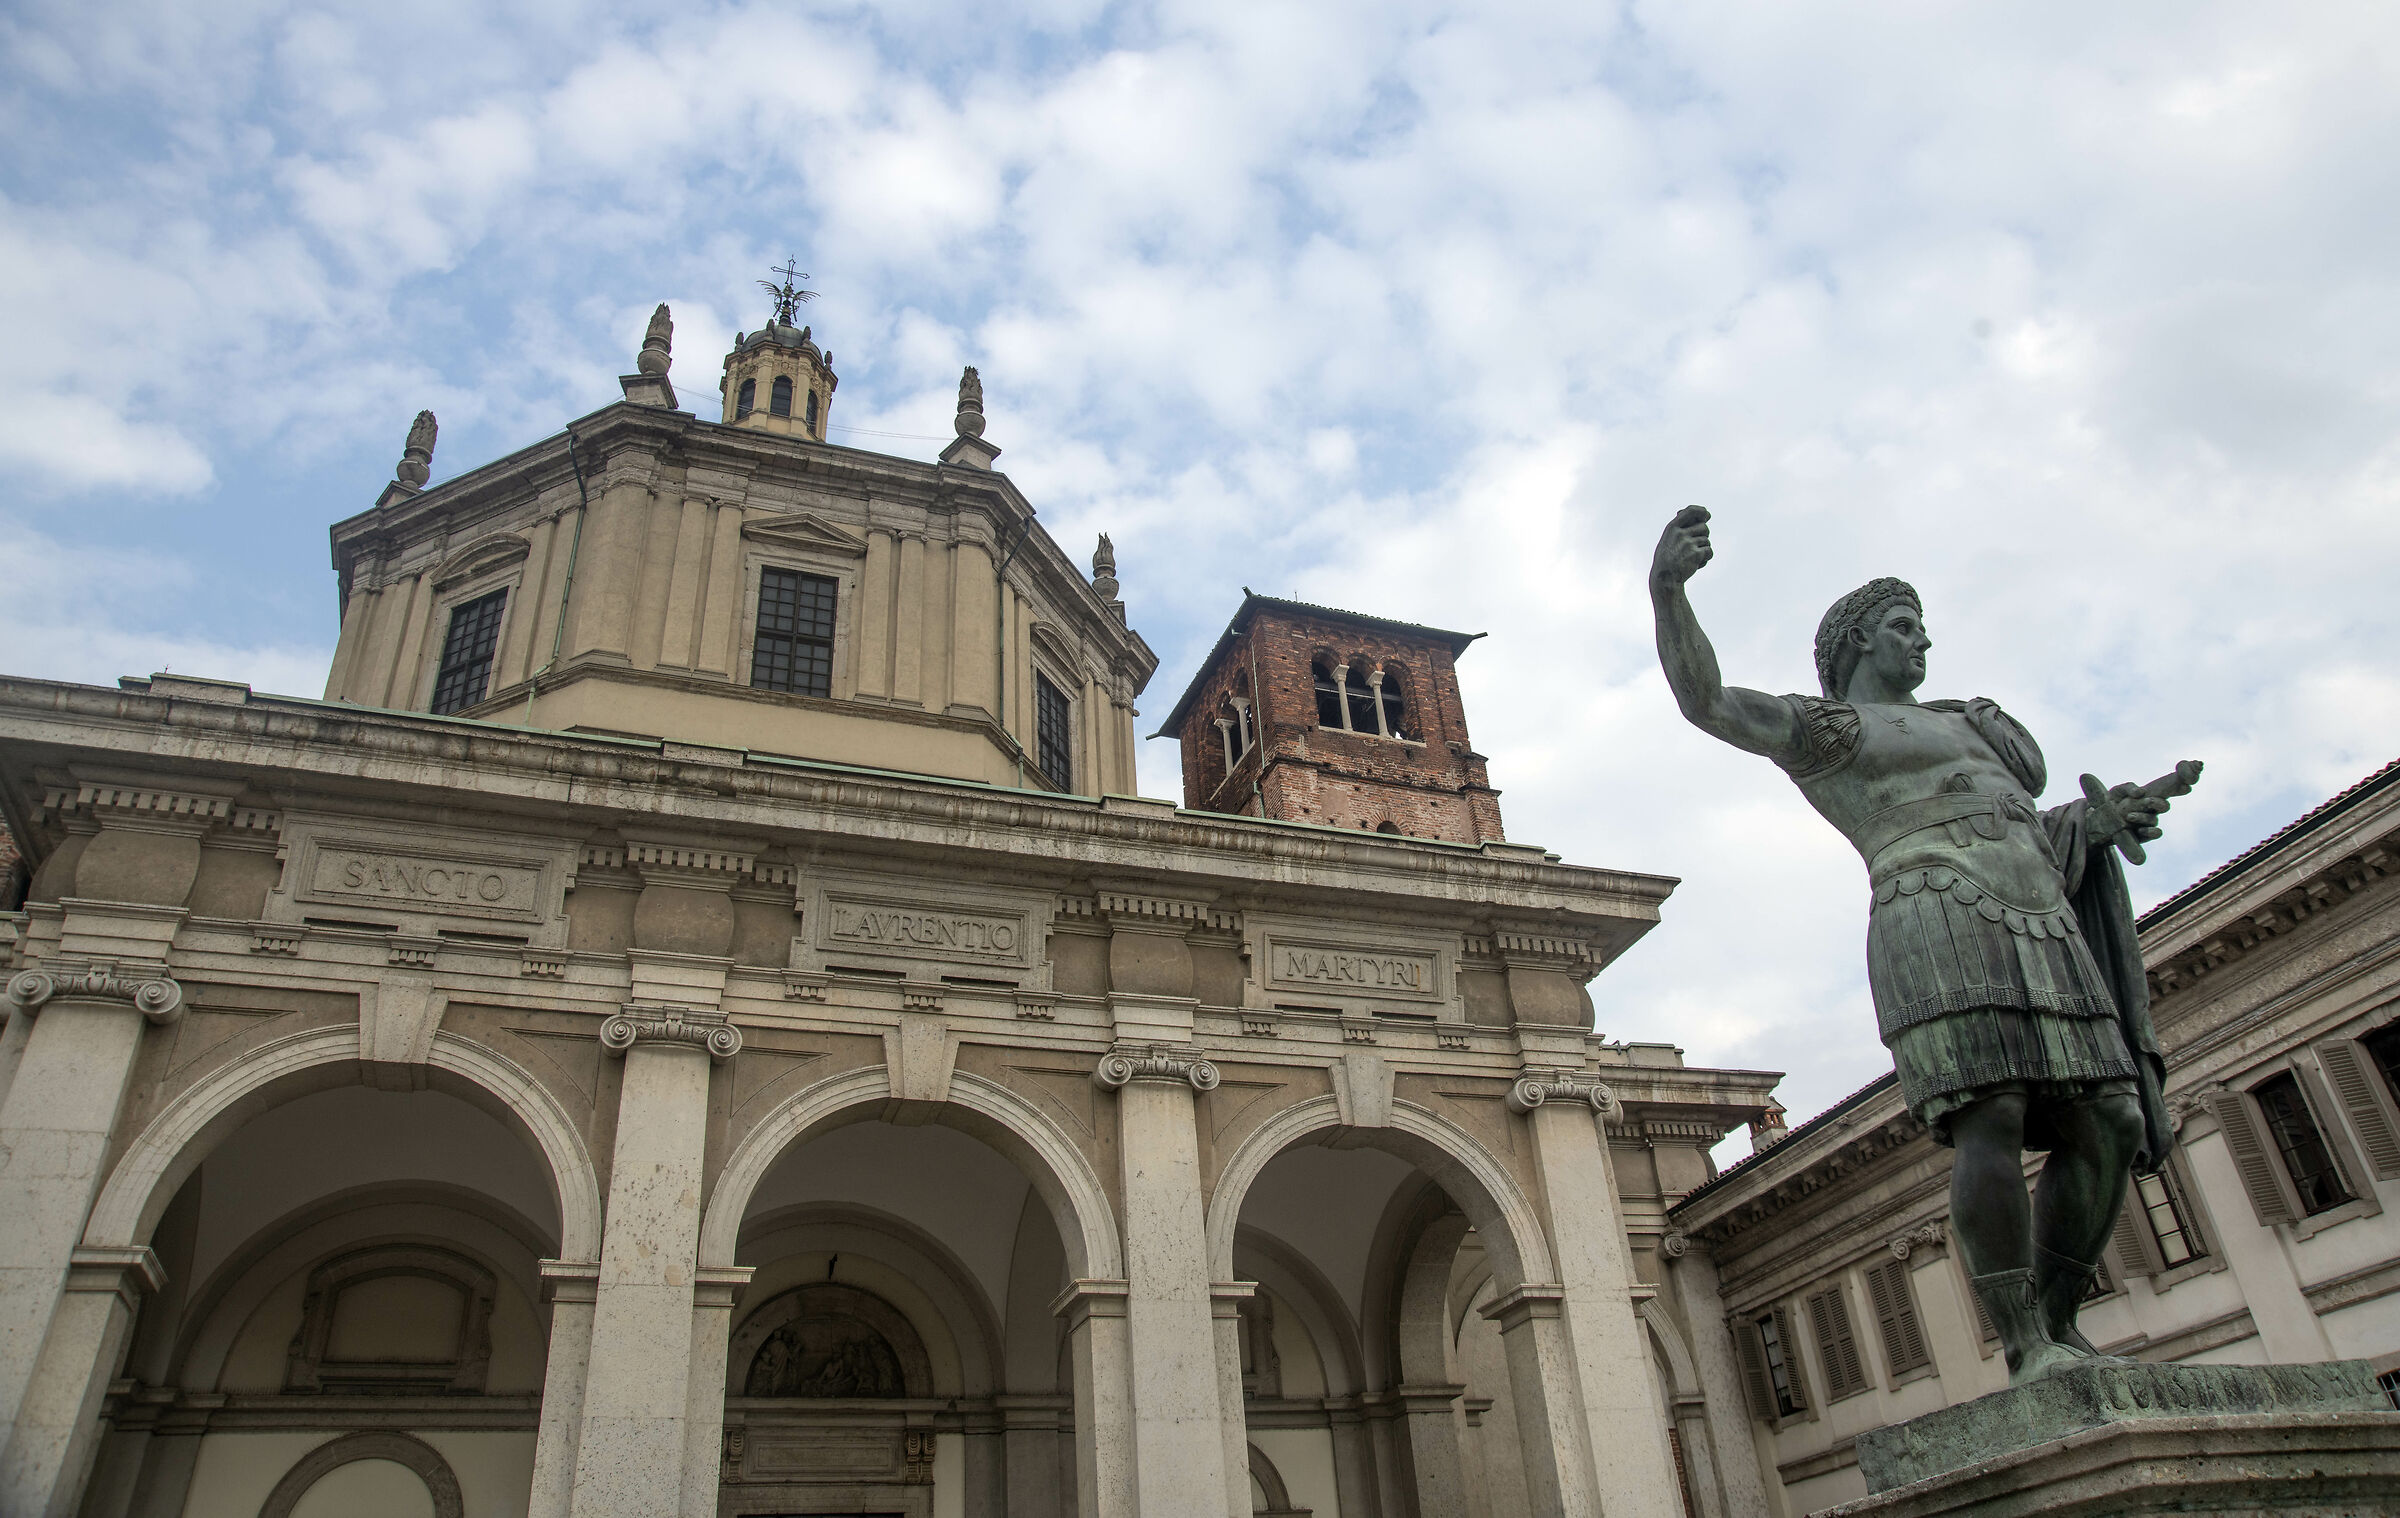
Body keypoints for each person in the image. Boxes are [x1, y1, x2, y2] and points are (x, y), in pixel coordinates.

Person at [1650, 505, 2194, 1382]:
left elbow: (2026, 819)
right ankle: (2021, 1339)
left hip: (2043, 919)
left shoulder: (1979, 726)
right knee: (1996, 1112)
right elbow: (1707, 702)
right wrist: (1668, 588)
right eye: (1904, 628)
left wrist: (2095, 823)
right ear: (1860, 640)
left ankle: (2059, 1321)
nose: (1922, 645)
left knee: (2111, 1118)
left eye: (1925, 630)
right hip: (1934, 913)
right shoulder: (1833, 733)